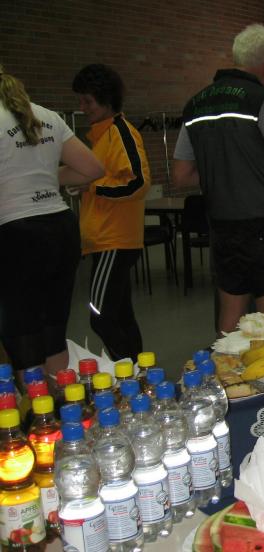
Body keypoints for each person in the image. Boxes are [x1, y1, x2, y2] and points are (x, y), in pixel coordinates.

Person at [173, 23, 264, 334]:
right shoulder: (262, 100)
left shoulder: (196, 103)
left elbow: (181, 175)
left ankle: (225, 364)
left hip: (222, 226)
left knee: (231, 314)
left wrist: (224, 171)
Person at [0, 66, 104, 382]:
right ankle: (63, 403)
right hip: (60, 229)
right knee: (53, 330)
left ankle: (39, 407)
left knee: (22, 333)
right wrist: (44, 178)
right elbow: (92, 169)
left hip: (17, 233)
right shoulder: (47, 116)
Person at [72, 64, 151, 362]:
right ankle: (140, 374)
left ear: (106, 100)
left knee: (101, 318)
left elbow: (138, 182)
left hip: (114, 240)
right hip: (104, 240)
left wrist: (92, 186)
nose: (82, 108)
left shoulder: (120, 132)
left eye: (88, 101)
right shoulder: (101, 137)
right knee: (120, 316)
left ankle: (128, 372)